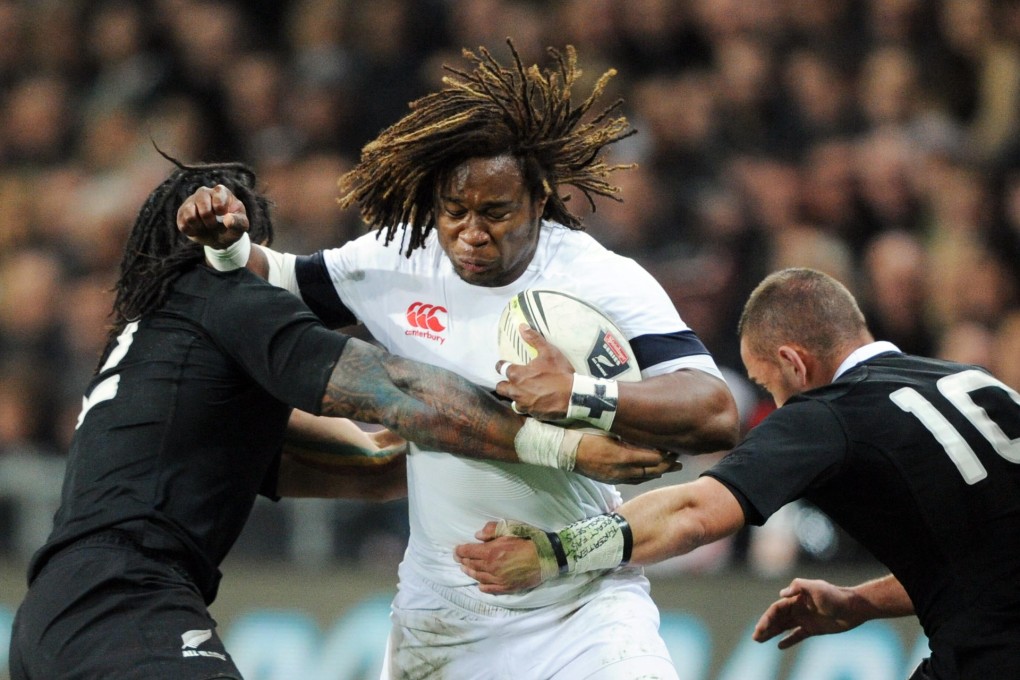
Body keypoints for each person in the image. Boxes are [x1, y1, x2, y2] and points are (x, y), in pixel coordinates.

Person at [178, 42, 739, 679]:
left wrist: (583, 394)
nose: (471, 232)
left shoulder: (601, 279)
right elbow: (276, 281)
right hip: (441, 620)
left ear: (539, 198)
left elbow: (713, 410)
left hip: (581, 606)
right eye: (455, 212)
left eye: (495, 213)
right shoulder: (400, 258)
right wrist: (227, 244)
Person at [7, 158, 675, 680]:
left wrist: (478, 457)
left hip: (52, 619)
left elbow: (372, 466)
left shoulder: (164, 354)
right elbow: (394, 389)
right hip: (125, 600)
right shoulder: (227, 299)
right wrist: (569, 450)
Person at [456, 267, 1020, 680]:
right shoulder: (976, 383)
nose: (776, 404)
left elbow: (693, 513)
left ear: (795, 364)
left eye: (770, 385)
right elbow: (986, 552)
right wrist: (861, 602)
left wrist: (554, 552)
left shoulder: (829, 412)